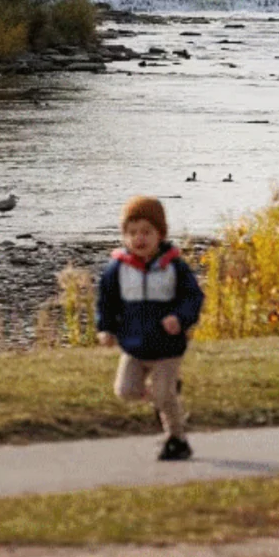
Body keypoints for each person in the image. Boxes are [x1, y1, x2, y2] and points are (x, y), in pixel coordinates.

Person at [96, 195, 206, 461]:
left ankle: (177, 440)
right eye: (132, 233)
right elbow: (106, 302)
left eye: (146, 232)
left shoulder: (173, 268)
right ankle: (165, 398)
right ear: (124, 236)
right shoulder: (118, 269)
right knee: (125, 391)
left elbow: (193, 298)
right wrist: (106, 328)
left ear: (161, 234)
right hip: (133, 345)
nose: (139, 239)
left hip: (167, 347)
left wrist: (180, 318)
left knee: (162, 395)